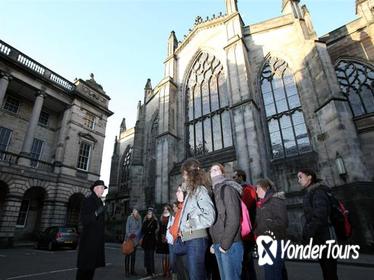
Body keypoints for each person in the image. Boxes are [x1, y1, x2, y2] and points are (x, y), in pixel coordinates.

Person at [297, 168, 338, 280]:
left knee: (330, 272)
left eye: (300, 177)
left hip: (326, 238)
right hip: (320, 238)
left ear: (309, 177)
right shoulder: (311, 192)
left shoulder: (318, 192)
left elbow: (320, 216)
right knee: (327, 271)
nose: (298, 180)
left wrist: (307, 234)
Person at [179, 158, 216, 280]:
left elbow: (210, 216)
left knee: (197, 276)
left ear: (190, 174)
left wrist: (190, 223)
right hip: (190, 238)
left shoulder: (200, 190)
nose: (183, 178)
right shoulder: (191, 192)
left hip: (197, 240)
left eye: (184, 174)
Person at [209, 163, 243, 280]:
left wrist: (224, 244)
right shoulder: (214, 192)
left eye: (216, 169)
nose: (213, 171)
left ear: (222, 173)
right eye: (211, 170)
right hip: (219, 244)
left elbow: (234, 218)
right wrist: (214, 242)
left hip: (230, 243)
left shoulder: (227, 188)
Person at [255, 178, 288, 280]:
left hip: (275, 241)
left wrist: (264, 229)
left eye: (258, 188)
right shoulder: (262, 203)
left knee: (273, 273)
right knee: (271, 272)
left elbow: (283, 222)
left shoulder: (275, 200)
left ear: (266, 188)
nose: (256, 191)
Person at [76, 180, 107, 280]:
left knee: (91, 269)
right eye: (102, 188)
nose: (103, 190)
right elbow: (84, 220)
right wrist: (96, 213)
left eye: (103, 188)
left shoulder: (99, 202)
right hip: (89, 240)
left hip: (96, 240)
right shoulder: (88, 200)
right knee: (84, 268)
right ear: (95, 188)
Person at [233, 169, 257, 280]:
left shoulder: (248, 190)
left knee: (246, 261)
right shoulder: (242, 190)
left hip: (247, 231)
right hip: (242, 231)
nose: (233, 179)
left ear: (241, 177)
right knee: (245, 262)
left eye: (234, 177)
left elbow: (243, 208)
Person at [169, 186, 188, 280]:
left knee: (185, 273)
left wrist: (182, 231)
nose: (176, 193)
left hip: (184, 243)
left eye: (179, 191)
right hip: (177, 242)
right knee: (180, 272)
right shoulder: (180, 208)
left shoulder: (186, 207)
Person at [124, 208, 142, 277]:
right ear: (132, 211)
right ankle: (127, 271)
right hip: (128, 238)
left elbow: (140, 228)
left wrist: (135, 234)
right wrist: (129, 234)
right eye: (134, 211)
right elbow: (127, 227)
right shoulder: (129, 218)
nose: (134, 212)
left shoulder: (139, 218)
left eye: (136, 211)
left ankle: (132, 271)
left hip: (135, 239)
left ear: (137, 212)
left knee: (133, 256)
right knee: (127, 255)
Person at [141, 207, 158, 277]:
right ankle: (147, 271)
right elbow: (143, 230)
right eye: (148, 214)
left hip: (152, 241)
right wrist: (149, 230)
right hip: (146, 242)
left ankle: (152, 271)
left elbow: (153, 230)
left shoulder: (154, 221)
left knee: (151, 257)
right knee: (146, 257)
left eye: (150, 214)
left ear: (152, 214)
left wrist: (149, 230)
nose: (149, 215)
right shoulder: (144, 221)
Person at [157, 204, 172, 277]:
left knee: (168, 256)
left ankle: (168, 271)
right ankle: (164, 271)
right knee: (163, 256)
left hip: (168, 238)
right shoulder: (161, 218)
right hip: (162, 238)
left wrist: (167, 237)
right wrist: (161, 237)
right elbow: (160, 229)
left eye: (167, 209)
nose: (165, 210)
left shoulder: (171, 217)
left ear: (169, 209)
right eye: (164, 209)